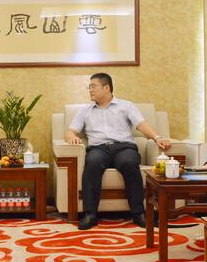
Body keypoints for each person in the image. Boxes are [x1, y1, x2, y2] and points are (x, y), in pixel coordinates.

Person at [67, 73, 172, 230]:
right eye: (89, 87)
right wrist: (72, 137)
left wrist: (157, 138)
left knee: (129, 163)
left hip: (123, 147)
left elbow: (141, 125)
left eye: (93, 86)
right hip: (98, 148)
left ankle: (138, 214)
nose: (90, 90)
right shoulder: (85, 110)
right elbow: (70, 131)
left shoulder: (126, 106)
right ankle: (90, 215)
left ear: (106, 88)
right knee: (92, 163)